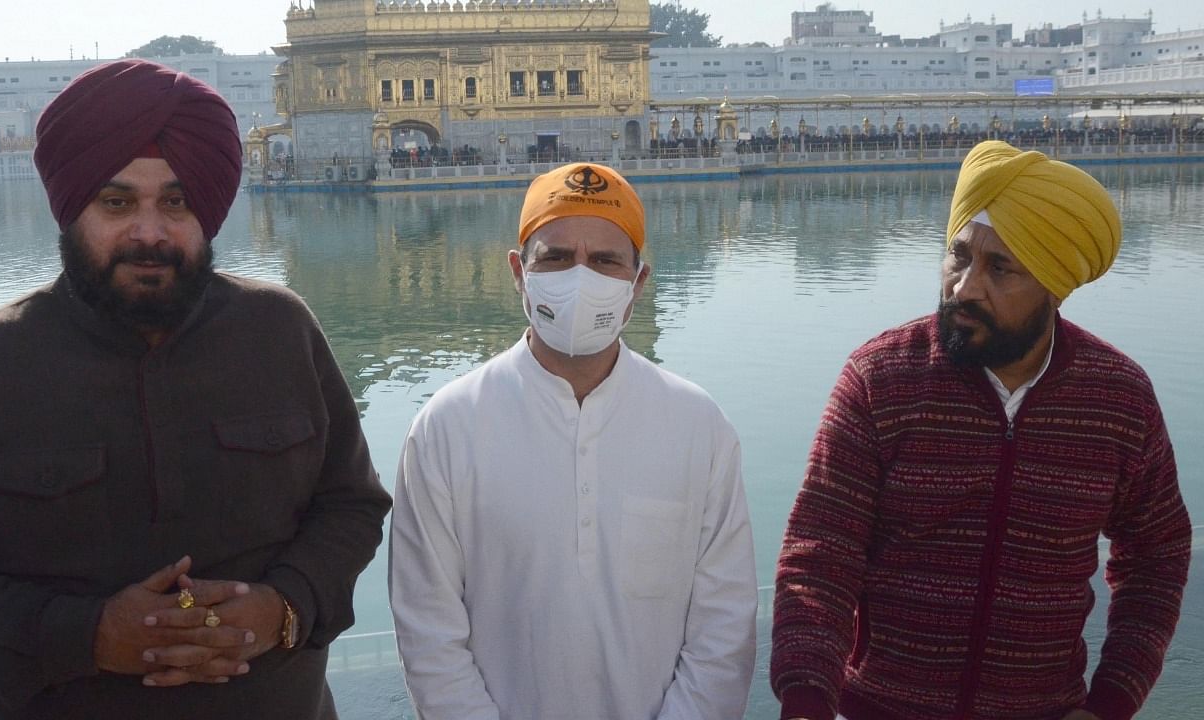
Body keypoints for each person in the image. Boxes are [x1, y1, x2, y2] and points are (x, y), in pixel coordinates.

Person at [0, 59, 392, 720]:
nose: (149, 231)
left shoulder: (280, 332)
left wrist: (281, 608)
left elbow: (350, 507)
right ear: (72, 208)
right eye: (117, 203)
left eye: (176, 202)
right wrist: (86, 637)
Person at [770, 141, 1192, 720]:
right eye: (959, 256)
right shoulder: (882, 379)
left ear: (1054, 284)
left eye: (1001, 269)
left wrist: (1112, 700)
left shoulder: (1117, 399)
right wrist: (805, 699)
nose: (965, 287)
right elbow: (821, 555)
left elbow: (1156, 554)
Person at [389, 163, 758, 719]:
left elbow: (723, 628)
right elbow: (429, 633)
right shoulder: (448, 427)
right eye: (556, 258)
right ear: (519, 271)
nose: (580, 277)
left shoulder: (698, 427)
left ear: (638, 281)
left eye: (606, 260)